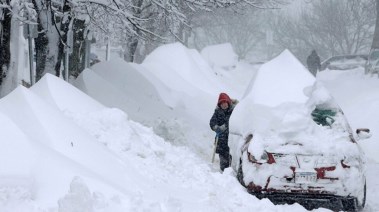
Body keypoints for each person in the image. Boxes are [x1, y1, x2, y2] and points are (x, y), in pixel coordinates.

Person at [209, 92, 238, 171]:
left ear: (228, 102)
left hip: (232, 139)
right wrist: (216, 127)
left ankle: (233, 174)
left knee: (233, 158)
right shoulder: (218, 112)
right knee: (223, 159)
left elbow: (236, 122)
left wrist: (225, 126)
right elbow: (212, 122)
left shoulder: (234, 111)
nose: (223, 105)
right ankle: (224, 174)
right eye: (221, 103)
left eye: (225, 103)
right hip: (221, 140)